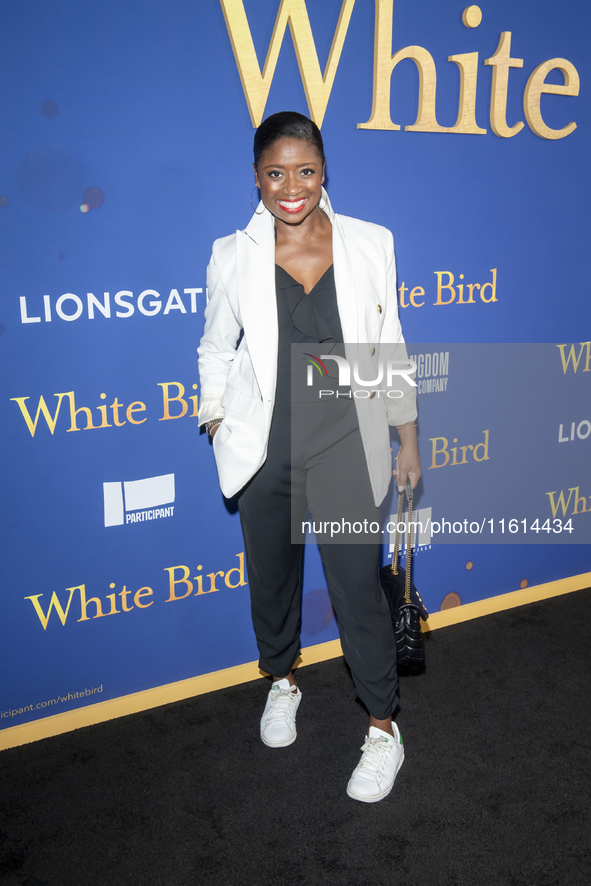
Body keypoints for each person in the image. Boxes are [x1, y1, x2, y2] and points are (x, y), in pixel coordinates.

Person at [198, 111, 421, 803]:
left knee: (357, 593)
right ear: (256, 178)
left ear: (324, 171)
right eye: (274, 173)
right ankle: (281, 681)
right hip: (264, 455)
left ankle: (383, 728)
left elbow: (387, 346)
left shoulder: (369, 243)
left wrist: (405, 434)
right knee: (272, 583)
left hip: (345, 450)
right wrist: (213, 416)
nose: (289, 187)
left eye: (304, 170)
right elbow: (215, 346)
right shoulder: (230, 255)